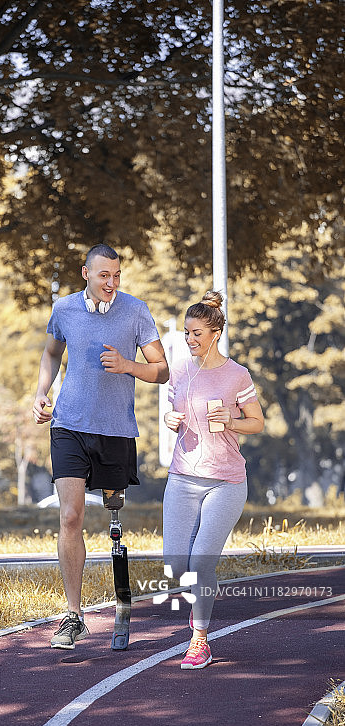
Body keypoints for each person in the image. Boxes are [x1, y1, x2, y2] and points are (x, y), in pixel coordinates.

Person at [33, 243, 169, 649]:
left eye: (116, 275)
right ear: (85, 273)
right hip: (69, 425)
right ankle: (73, 616)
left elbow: (161, 370)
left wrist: (129, 366)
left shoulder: (136, 310)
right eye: (103, 275)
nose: (111, 283)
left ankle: (121, 600)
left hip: (115, 431)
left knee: (113, 510)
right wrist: (41, 393)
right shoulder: (64, 309)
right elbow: (52, 353)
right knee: (71, 517)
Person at [163, 291, 264, 669]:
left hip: (226, 481)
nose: (190, 340)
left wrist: (231, 422)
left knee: (201, 561)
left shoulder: (237, 375)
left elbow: (257, 422)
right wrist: (170, 421)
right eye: (187, 333)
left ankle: (200, 639)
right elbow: (176, 412)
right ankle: (197, 605)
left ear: (216, 333)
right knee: (176, 565)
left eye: (197, 333)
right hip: (182, 477)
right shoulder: (181, 369)